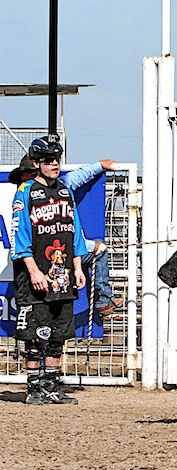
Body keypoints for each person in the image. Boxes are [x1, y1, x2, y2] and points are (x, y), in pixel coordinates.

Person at [10, 137, 87, 405]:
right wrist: (33, 271)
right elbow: (19, 235)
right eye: (48, 161)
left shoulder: (65, 192)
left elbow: (75, 231)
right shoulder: (26, 192)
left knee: (59, 333)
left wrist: (78, 267)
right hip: (35, 276)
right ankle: (33, 388)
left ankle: (52, 386)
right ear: (37, 163)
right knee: (34, 334)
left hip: (62, 275)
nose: (54, 165)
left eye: (57, 160)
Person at [10, 155, 124, 318]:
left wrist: (99, 165)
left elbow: (67, 232)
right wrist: (90, 247)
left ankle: (103, 301)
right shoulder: (25, 197)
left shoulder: (58, 188)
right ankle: (104, 300)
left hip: (53, 259)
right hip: (36, 261)